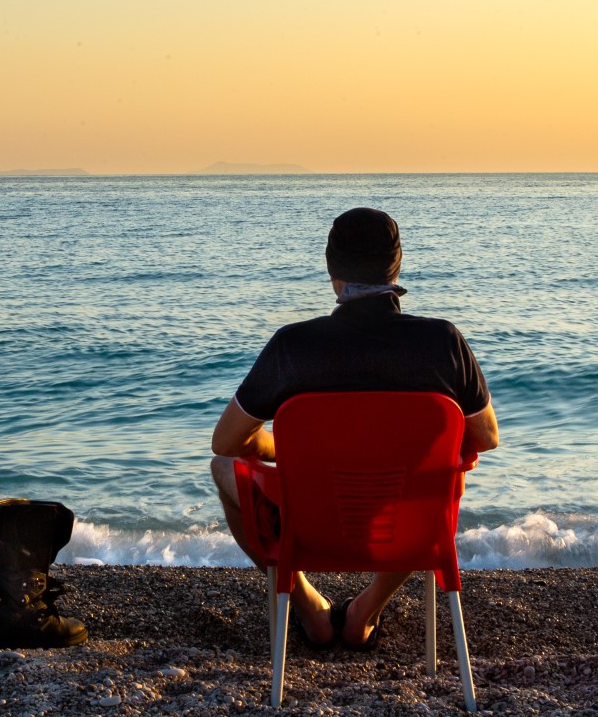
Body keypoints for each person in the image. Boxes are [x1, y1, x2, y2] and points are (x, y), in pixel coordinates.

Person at [209, 207, 499, 650]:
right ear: (397, 267)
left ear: (332, 271)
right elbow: (485, 438)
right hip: (409, 520)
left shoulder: (293, 346)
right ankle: (365, 612)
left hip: (309, 523)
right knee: (447, 476)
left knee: (222, 468)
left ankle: (309, 609)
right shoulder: (443, 343)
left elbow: (226, 442)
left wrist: (283, 450)